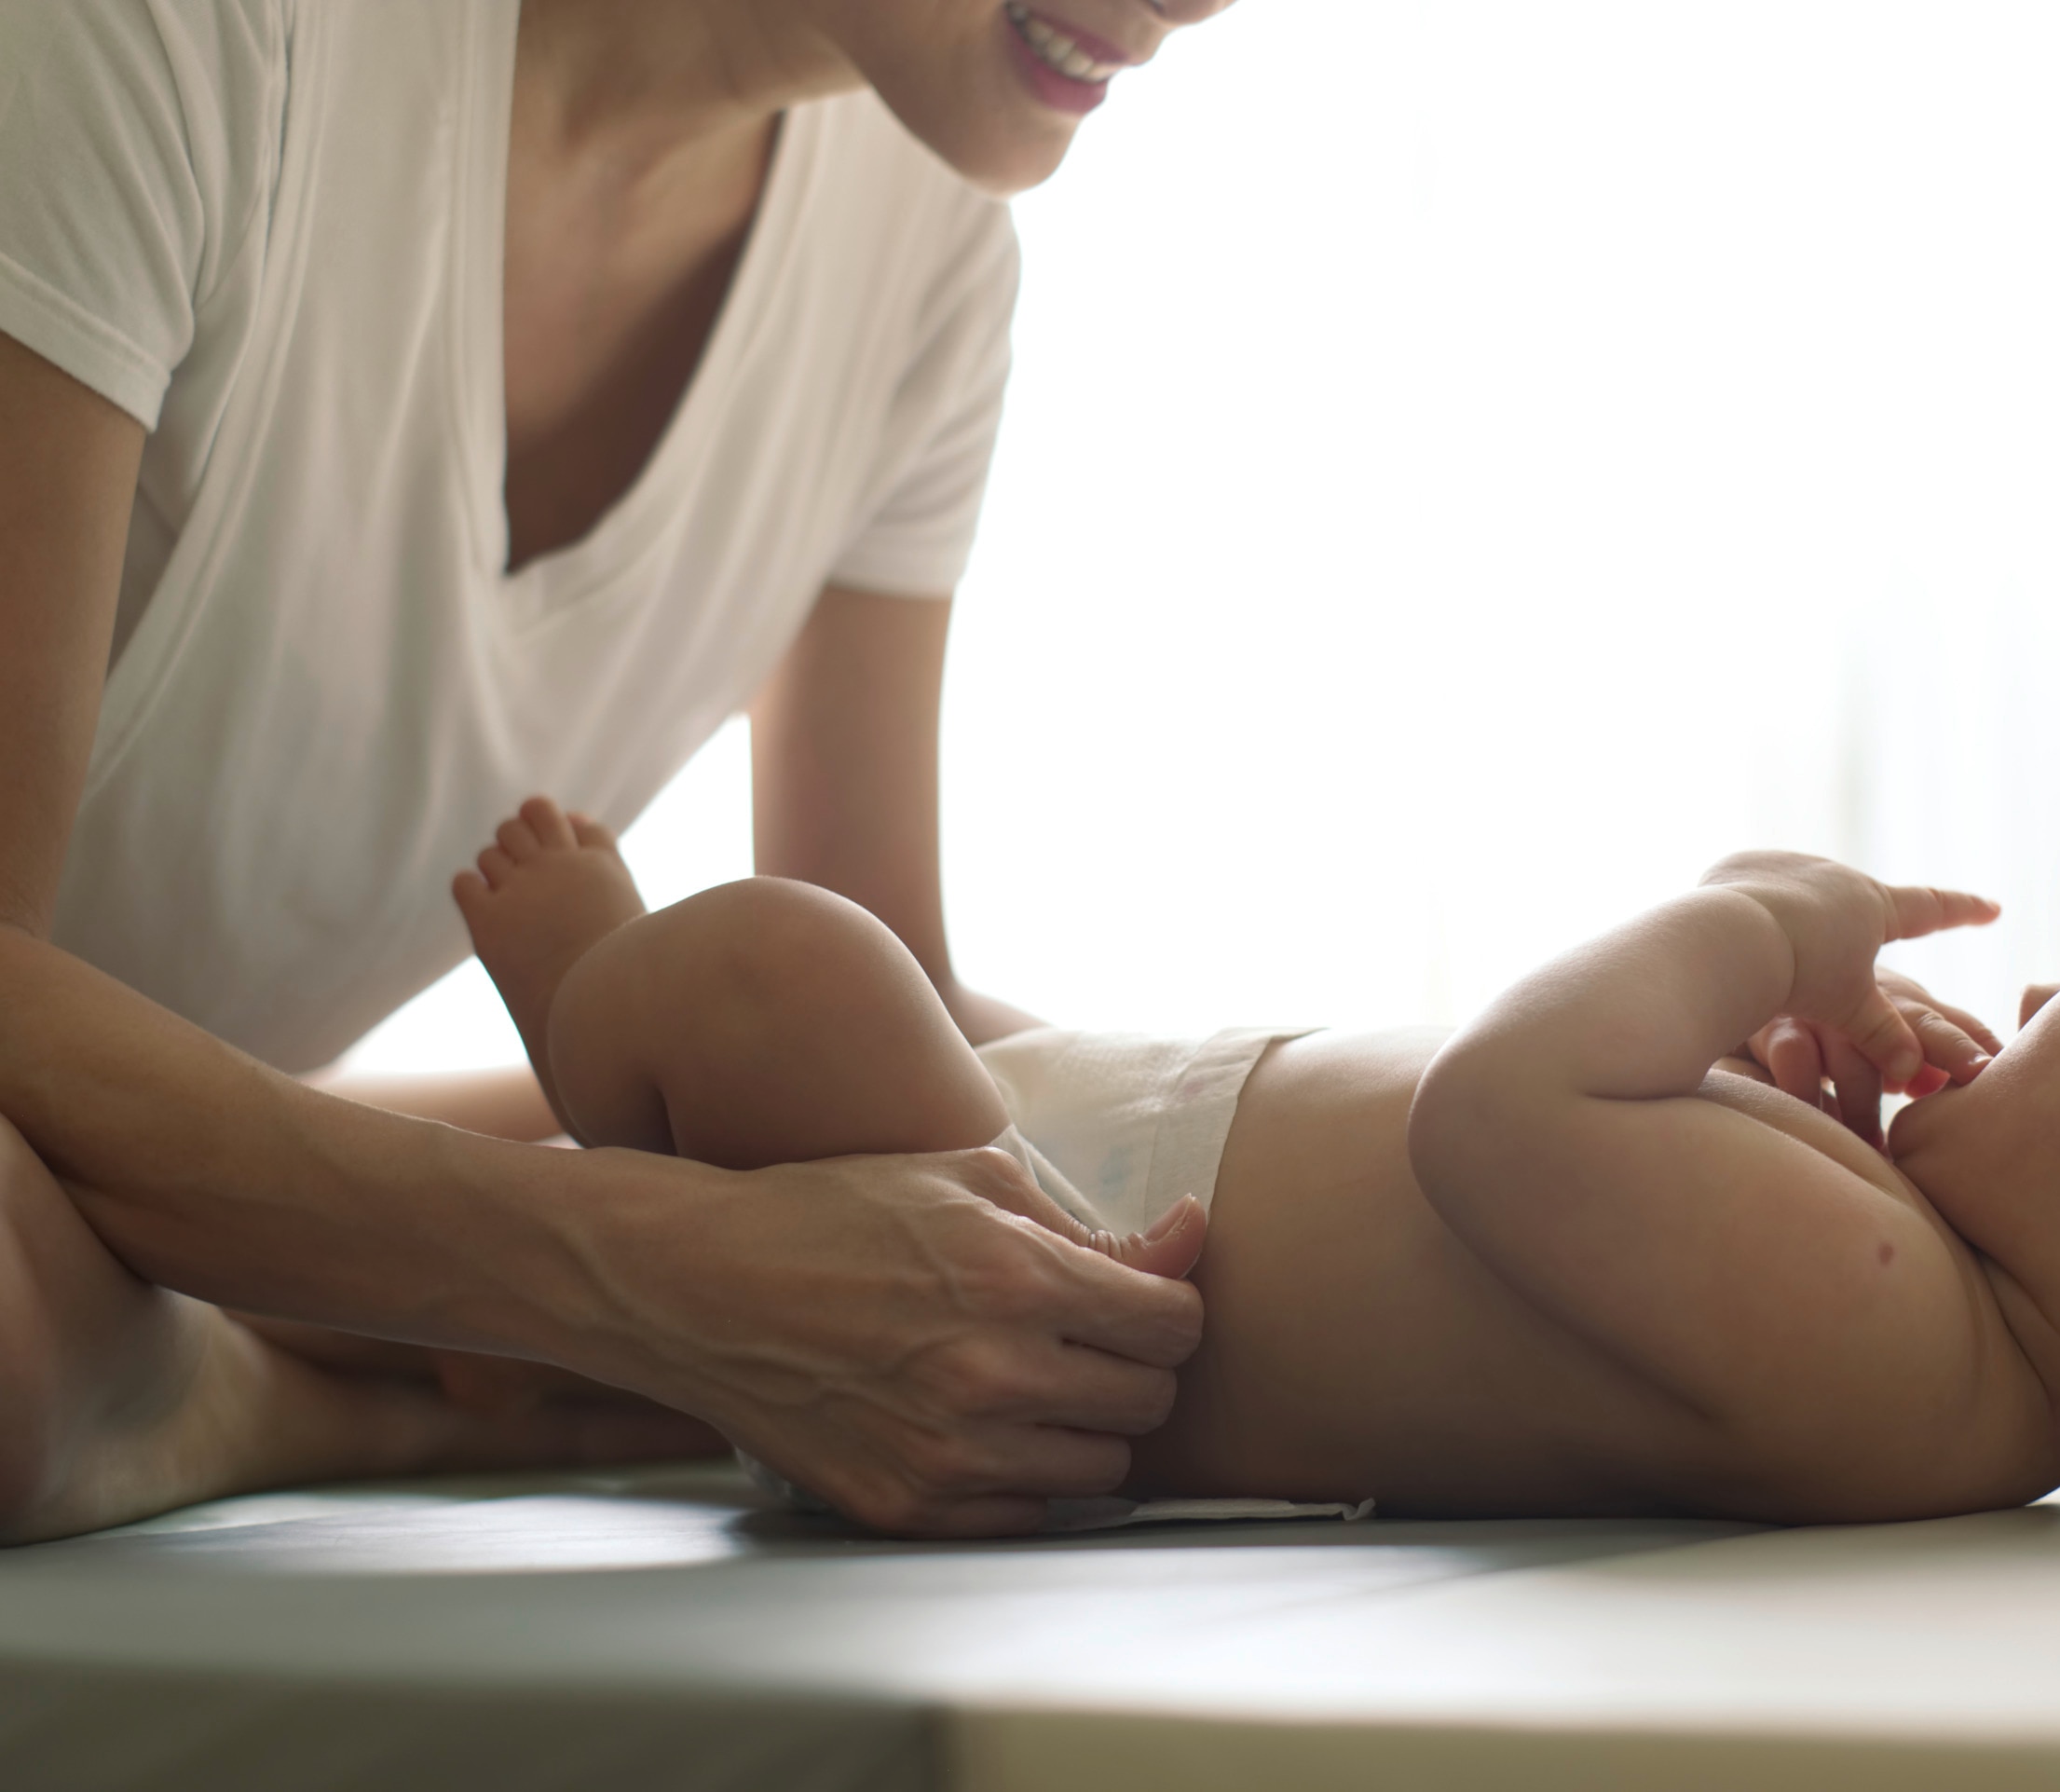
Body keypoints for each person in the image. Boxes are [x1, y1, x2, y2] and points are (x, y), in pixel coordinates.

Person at [0, 0, 1242, 1544]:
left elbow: (887, 1020)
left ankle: (293, 1331)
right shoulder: (165, 37)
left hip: (114, 1143)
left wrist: (1319, 1118)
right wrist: (638, 1279)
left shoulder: (917, 255)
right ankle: (285, 1397)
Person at [447, 799, 2060, 1527]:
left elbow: (1496, 1110)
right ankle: (565, 1311)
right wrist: (1774, 1100)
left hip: (1035, 1254)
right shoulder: (1911, 1309)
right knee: (952, 1023)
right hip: (1120, 1135)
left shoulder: (1888, 1327)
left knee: (799, 982)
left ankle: (602, 1032)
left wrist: (1741, 927)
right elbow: (1591, 1208)